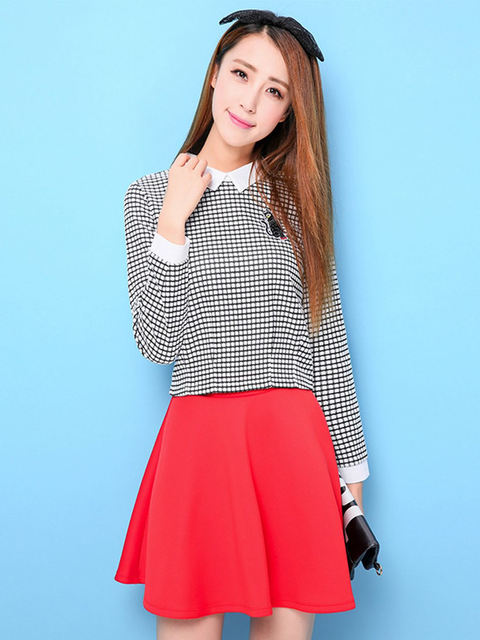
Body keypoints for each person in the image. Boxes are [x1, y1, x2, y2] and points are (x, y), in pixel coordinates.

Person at [115, 10, 371, 640]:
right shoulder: (148, 196)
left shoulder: (297, 202)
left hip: (293, 446)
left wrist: (352, 483)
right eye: (241, 74)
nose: (251, 101)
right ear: (214, 75)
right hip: (201, 442)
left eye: (274, 90)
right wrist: (173, 221)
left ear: (288, 112)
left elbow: (328, 343)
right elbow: (156, 343)